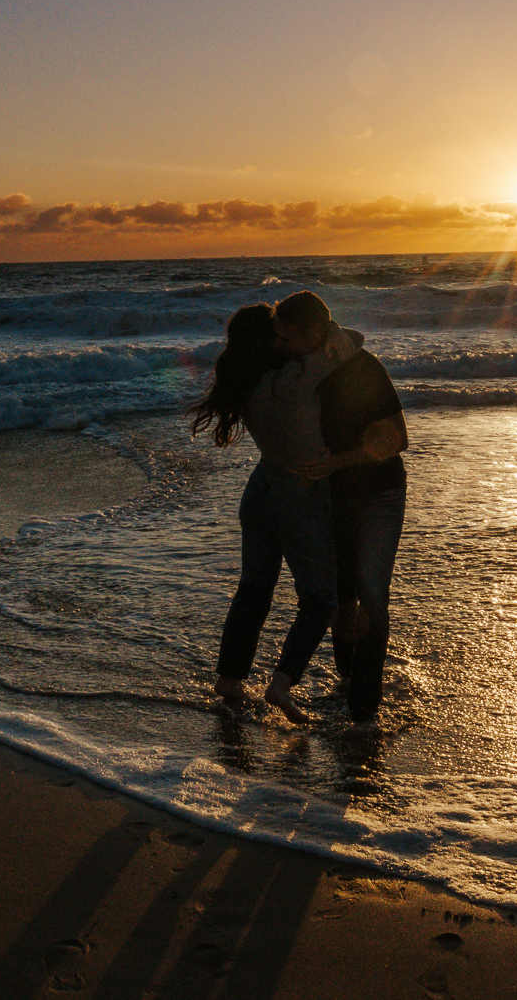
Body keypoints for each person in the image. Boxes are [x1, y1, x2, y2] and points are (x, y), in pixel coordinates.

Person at [188, 301, 355, 723]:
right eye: (276, 335)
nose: (282, 341)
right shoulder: (293, 379)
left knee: (254, 589)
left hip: (259, 490)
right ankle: (281, 683)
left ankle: (230, 680)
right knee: (321, 599)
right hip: (298, 493)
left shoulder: (246, 386)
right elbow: (351, 343)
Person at [275, 292, 408, 725]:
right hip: (330, 497)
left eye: (288, 335)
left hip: (378, 494)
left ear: (315, 333)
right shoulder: (300, 369)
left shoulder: (362, 369)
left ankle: (365, 712)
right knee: (341, 597)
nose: (281, 343)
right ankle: (349, 680)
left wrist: (337, 461)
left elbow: (397, 439)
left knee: (370, 594)